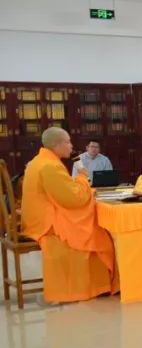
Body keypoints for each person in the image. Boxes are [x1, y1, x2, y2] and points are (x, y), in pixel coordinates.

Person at [22, 127, 117, 303]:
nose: (71, 146)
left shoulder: (39, 161)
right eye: (68, 142)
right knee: (95, 234)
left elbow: (64, 192)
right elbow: (74, 199)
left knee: (94, 230)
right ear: (55, 145)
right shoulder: (49, 166)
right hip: (48, 223)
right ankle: (96, 286)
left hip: (39, 216)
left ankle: (100, 285)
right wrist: (82, 176)